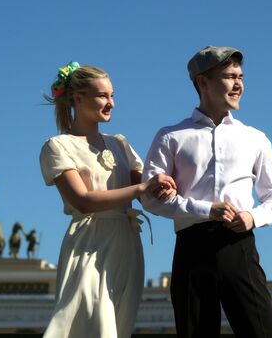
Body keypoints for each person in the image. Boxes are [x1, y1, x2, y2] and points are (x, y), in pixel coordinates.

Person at [141, 46, 272, 338]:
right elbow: (149, 198)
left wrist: (252, 217)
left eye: (240, 77)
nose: (238, 84)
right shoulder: (170, 136)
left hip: (240, 249)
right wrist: (206, 209)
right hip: (191, 251)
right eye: (229, 76)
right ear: (202, 82)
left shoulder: (255, 139)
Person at [39, 62, 176, 338]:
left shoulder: (119, 144)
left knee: (118, 325)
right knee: (92, 323)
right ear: (78, 99)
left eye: (112, 95)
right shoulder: (58, 146)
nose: (111, 102)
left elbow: (147, 184)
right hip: (88, 244)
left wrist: (165, 187)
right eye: (103, 96)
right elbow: (83, 201)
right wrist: (143, 189)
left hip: (126, 244)